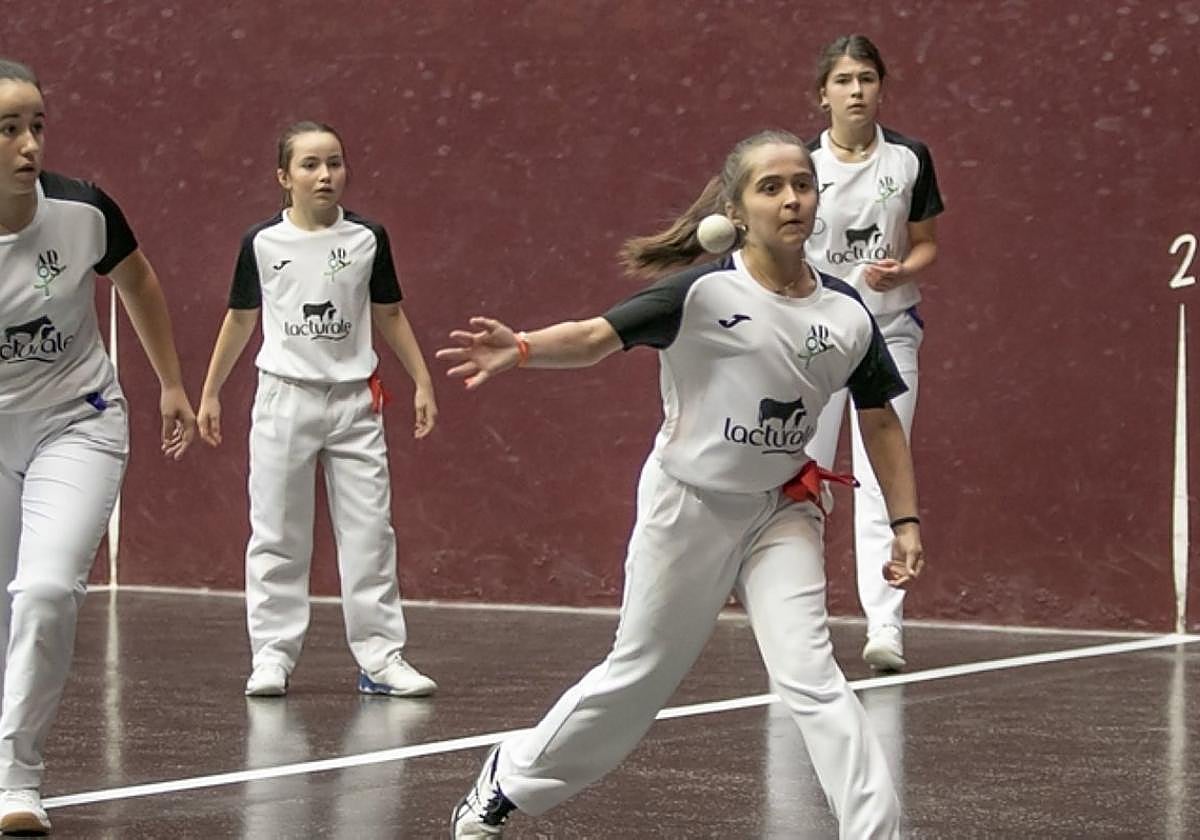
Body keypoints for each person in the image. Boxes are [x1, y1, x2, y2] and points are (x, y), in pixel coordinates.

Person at [439, 129, 925, 839]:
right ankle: (509, 778)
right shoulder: (700, 294)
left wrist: (905, 522)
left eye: (802, 184)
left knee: (813, 677)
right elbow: (595, 335)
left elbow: (880, 420)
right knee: (640, 677)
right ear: (736, 207)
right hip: (687, 509)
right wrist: (520, 349)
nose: (791, 198)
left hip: (782, 511)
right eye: (771, 187)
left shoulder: (847, 313)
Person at [0, 59, 196, 835]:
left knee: (45, 592)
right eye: (7, 128)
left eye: (36, 126)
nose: (28, 146)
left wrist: (171, 383)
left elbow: (139, 280)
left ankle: (17, 775)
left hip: (75, 422)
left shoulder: (82, 211)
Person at [196, 121, 439, 699]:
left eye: (334, 162)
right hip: (284, 399)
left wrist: (423, 380)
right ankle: (272, 656)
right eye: (309, 164)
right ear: (284, 177)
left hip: (355, 403)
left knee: (370, 534)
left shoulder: (368, 239)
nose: (325, 174)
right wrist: (209, 392)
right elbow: (239, 319)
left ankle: (381, 659)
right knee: (277, 532)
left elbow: (391, 314)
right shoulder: (261, 243)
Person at [804, 34, 944, 672]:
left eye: (866, 78)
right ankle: (800, 627)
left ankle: (885, 629)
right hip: (814, 338)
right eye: (843, 80)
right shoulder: (801, 166)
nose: (856, 90)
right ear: (822, 95)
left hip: (888, 335)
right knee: (799, 481)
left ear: (880, 87)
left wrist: (900, 270)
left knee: (881, 482)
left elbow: (925, 246)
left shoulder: (910, 159)